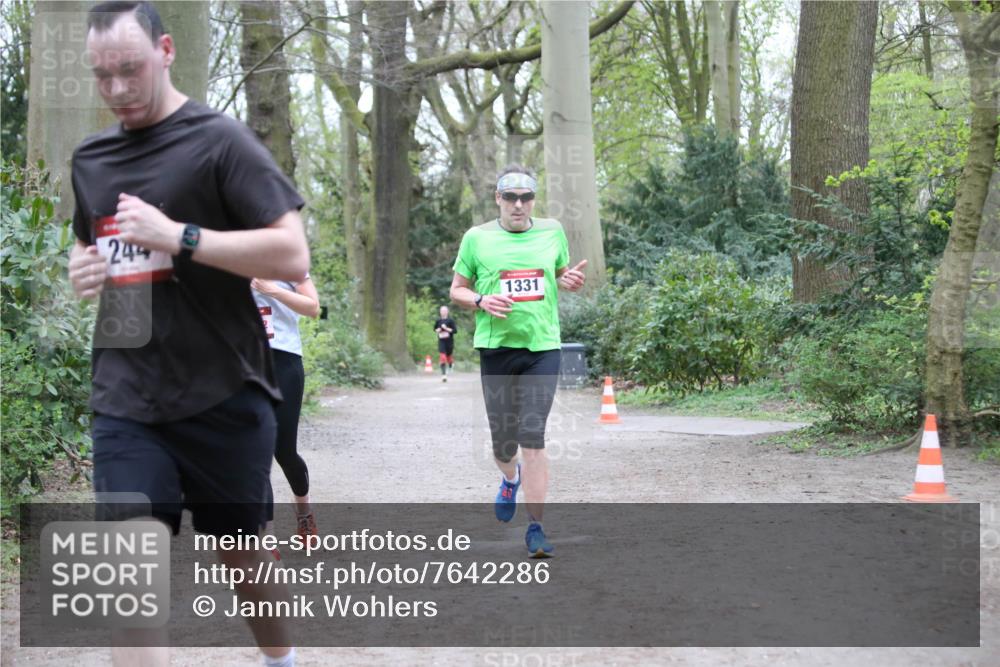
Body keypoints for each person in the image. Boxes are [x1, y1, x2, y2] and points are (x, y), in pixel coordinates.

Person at [66, 3, 305, 665]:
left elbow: (292, 253)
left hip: (222, 392)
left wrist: (181, 237)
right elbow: (93, 244)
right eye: (102, 75)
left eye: (131, 69)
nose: (118, 88)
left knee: (244, 559)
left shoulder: (220, 141)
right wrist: (81, 267)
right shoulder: (91, 159)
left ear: (166, 51)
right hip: (126, 399)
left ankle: (281, 660)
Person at [449, 165, 587, 557]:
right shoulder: (477, 238)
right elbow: (457, 289)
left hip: (542, 348)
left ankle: (536, 528)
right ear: (498, 198)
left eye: (526, 197)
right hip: (497, 350)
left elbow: (559, 273)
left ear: (533, 200)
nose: (518, 205)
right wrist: (480, 300)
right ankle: (510, 480)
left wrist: (568, 280)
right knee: (503, 445)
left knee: (532, 436)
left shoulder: (552, 231)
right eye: (510, 197)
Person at [252, 276, 320, 538]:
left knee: (285, 451)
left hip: (284, 361)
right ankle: (266, 538)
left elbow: (312, 307)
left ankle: (303, 509)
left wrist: (271, 290)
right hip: (243, 362)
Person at [433, 305, 458, 381]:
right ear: (440, 312)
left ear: (447, 312)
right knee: (443, 357)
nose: (443, 312)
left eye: (444, 311)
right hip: (441, 341)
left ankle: (450, 364)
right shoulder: (438, 321)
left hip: (449, 342)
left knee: (449, 357)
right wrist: (438, 330)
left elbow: (455, 331)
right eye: (441, 311)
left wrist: (446, 328)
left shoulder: (450, 321)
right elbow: (434, 329)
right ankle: (444, 375)